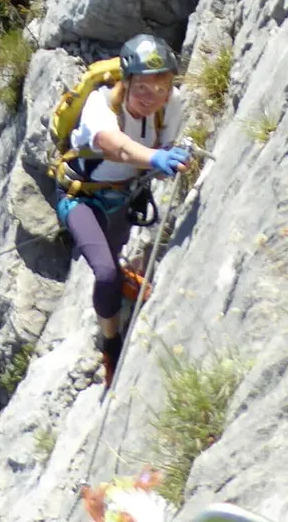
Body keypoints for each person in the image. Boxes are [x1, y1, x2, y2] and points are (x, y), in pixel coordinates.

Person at [52, 34, 190, 389]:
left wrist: (172, 157)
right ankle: (110, 343)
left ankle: (120, 285)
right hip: (81, 196)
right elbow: (118, 148)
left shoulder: (170, 104)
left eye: (161, 88)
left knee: (112, 254)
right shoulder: (100, 105)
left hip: (123, 196)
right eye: (142, 87)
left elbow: (165, 144)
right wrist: (157, 158)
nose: (151, 98)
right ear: (126, 82)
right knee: (106, 273)